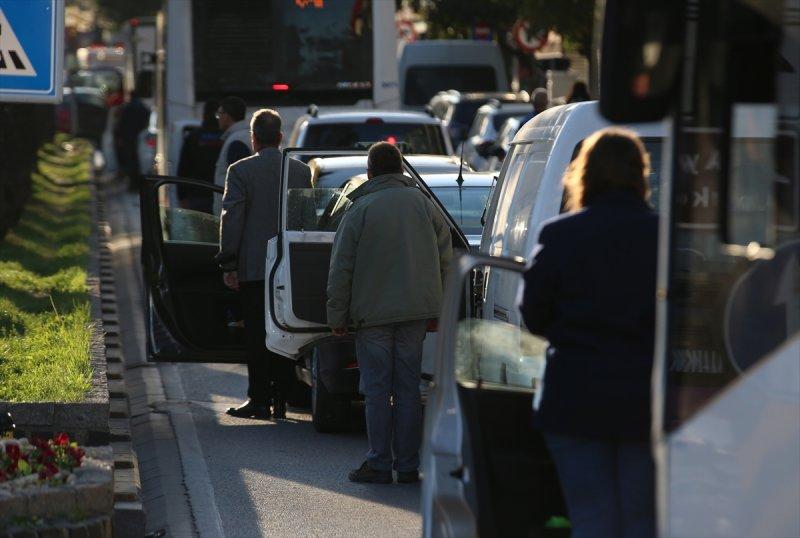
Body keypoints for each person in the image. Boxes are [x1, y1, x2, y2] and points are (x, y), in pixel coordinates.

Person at [519, 128, 658, 538]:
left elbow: (533, 314)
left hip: (574, 400)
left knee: (591, 517)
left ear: (584, 175)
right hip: (646, 402)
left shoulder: (559, 234)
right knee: (642, 519)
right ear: (640, 175)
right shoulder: (665, 236)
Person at [327, 142, 453, 484]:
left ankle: (379, 463)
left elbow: (342, 267)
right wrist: (440, 307)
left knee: (378, 391)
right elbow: (446, 260)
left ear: (370, 173)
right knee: (409, 389)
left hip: (373, 316)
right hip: (416, 312)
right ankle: (408, 465)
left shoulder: (360, 209)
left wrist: (337, 316)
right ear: (400, 170)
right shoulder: (425, 206)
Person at [216, 109, 312, 420]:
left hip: (255, 267)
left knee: (257, 335)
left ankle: (259, 398)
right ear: (281, 137)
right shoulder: (300, 172)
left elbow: (233, 218)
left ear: (253, 138)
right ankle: (284, 394)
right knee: (285, 333)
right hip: (289, 268)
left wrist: (228, 261)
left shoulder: (240, 171)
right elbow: (306, 220)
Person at [177, 100, 223, 213]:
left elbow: (183, 168)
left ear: (204, 114)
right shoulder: (226, 137)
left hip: (196, 193)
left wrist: (182, 197)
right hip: (220, 192)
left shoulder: (193, 136)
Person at [213, 96, 251, 214]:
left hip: (232, 214)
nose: (218, 118)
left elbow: (239, 183)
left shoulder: (237, 141)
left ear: (227, 116)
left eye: (219, 114)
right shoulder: (244, 136)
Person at [114, 89, 150, 190]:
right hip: (140, 137)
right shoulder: (143, 107)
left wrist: (120, 137)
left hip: (129, 138)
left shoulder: (127, 108)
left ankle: (133, 184)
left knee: (131, 161)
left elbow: (121, 124)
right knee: (139, 161)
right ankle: (139, 183)